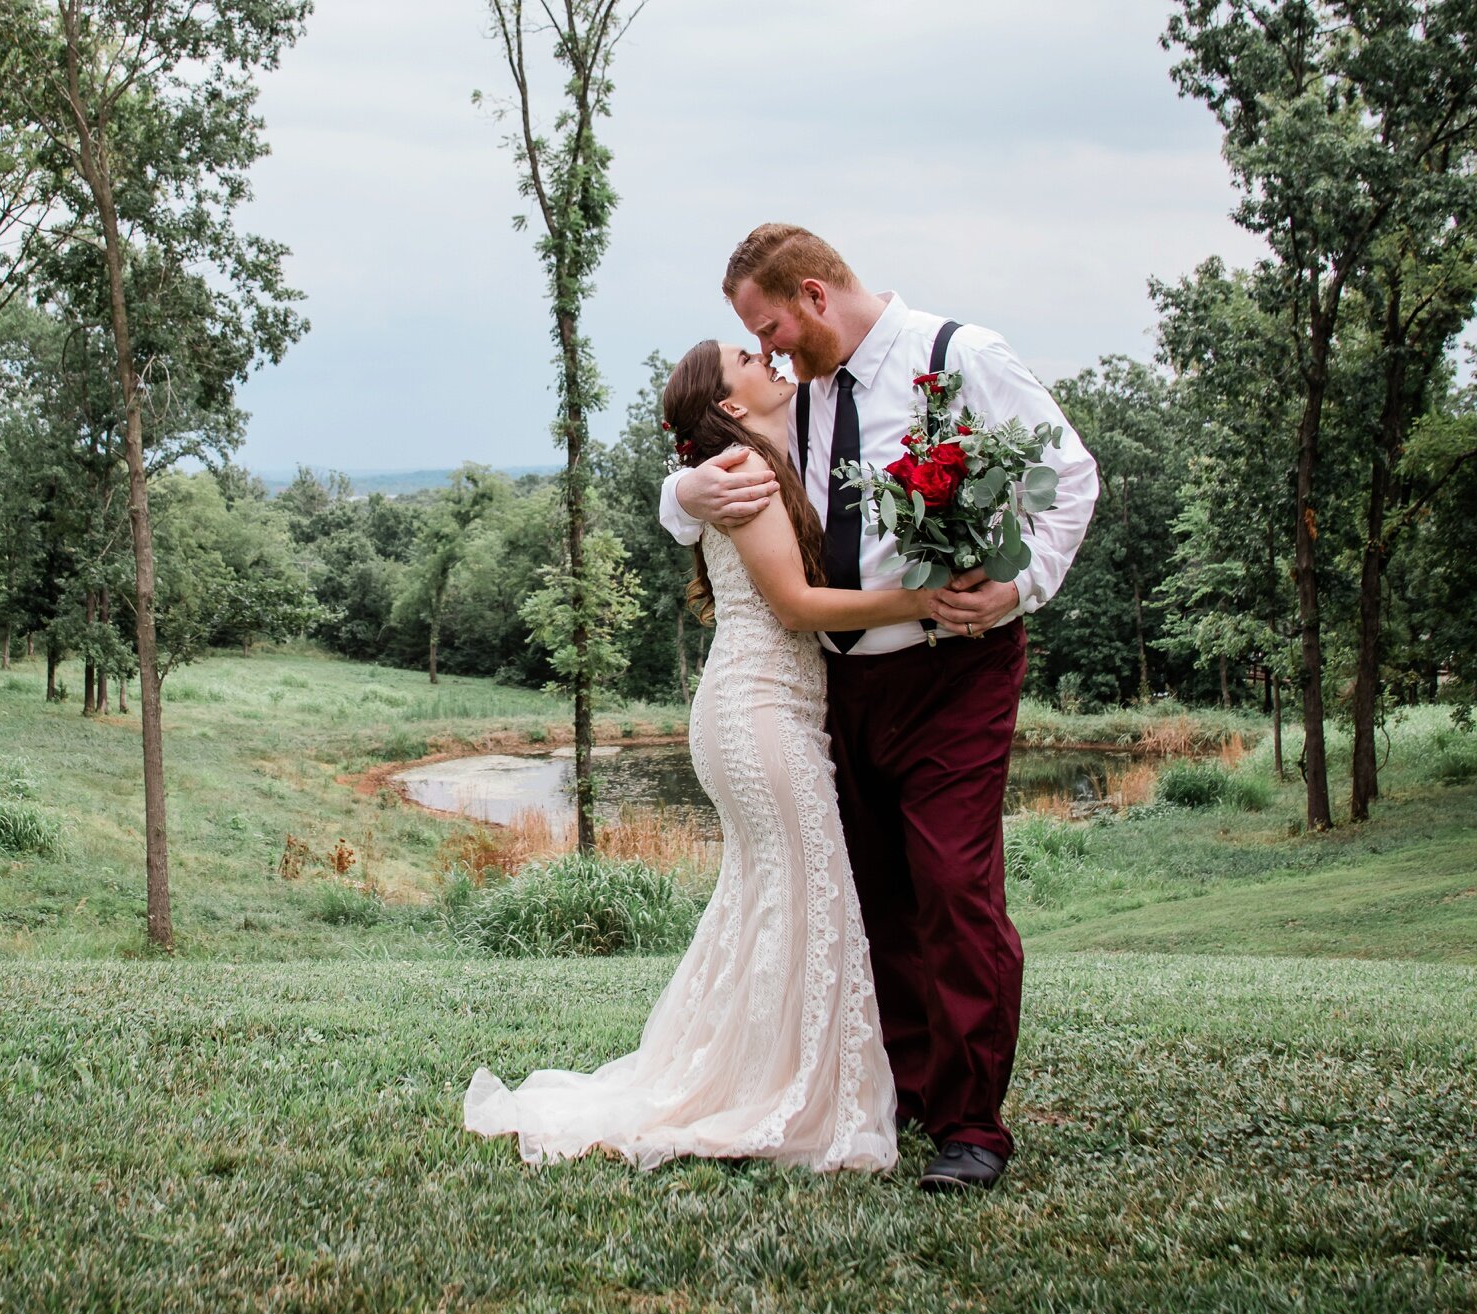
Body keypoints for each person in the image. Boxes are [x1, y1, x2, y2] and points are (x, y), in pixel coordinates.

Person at [661, 223, 1098, 1192]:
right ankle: (901, 1081)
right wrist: (681, 488)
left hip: (954, 665)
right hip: (838, 683)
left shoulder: (959, 357)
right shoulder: (793, 399)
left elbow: (1068, 476)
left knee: (952, 884)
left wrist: (1018, 590)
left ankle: (970, 1122)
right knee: (872, 890)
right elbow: (714, 472)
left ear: (816, 294)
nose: (769, 352)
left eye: (771, 327)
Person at [463, 339, 941, 1173]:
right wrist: (924, 603)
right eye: (750, 360)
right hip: (759, 713)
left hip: (767, 710)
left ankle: (760, 1075)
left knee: (776, 899)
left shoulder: (757, 456)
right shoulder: (743, 477)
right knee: (811, 892)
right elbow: (794, 606)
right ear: (728, 404)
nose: (771, 359)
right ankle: (783, 1092)